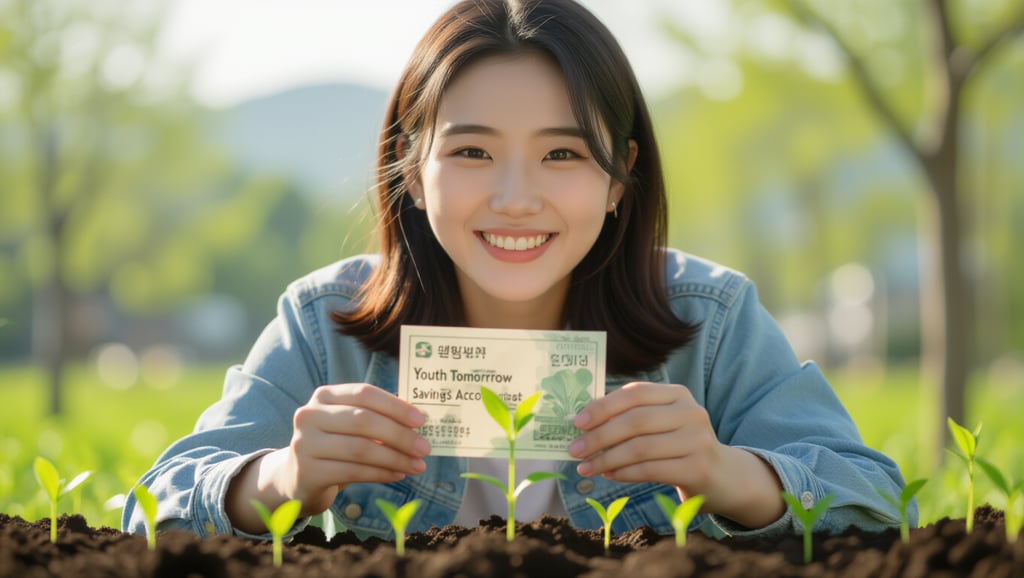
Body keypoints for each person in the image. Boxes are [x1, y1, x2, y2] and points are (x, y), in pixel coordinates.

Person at [123, 0, 912, 541]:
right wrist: (278, 479)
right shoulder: (326, 322)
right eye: (472, 151)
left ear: (620, 177)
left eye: (562, 154)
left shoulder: (709, 319)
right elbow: (150, 509)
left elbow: (878, 500)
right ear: (412, 166)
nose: (515, 199)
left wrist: (729, 474)